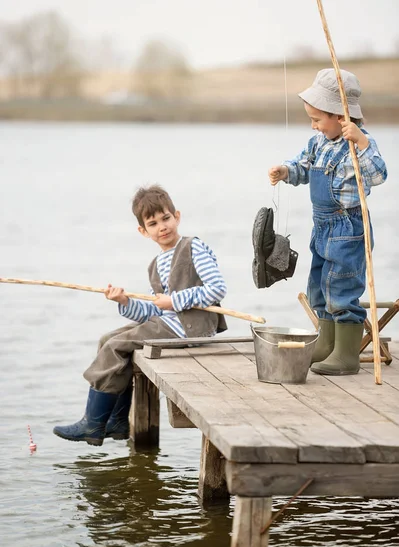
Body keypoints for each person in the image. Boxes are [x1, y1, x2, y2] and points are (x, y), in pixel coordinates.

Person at [53, 185, 227, 445]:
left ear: (177, 216)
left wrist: (175, 300)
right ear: (143, 231)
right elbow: (152, 311)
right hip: (169, 323)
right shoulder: (156, 264)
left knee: (116, 346)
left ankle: (93, 424)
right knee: (107, 340)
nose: (162, 227)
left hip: (190, 328)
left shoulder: (194, 248)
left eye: (166, 218)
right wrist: (124, 301)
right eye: (153, 223)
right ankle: (118, 420)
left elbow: (216, 289)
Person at [268, 68, 387, 376]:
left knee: (341, 286)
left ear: (340, 115)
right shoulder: (318, 142)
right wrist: (285, 170)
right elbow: (303, 166)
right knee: (320, 285)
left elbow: (378, 174)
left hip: (348, 229)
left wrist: (360, 142)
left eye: (318, 119)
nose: (314, 125)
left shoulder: (357, 145)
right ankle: (326, 344)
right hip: (322, 228)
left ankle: (346, 354)